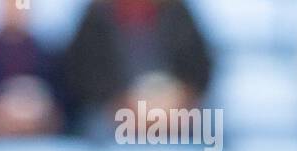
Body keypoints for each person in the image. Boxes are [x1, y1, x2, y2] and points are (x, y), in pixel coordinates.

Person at [62, 0, 212, 136]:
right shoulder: (95, 17)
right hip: (115, 113)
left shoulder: (177, 13)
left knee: (210, 125)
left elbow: (198, 72)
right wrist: (128, 109)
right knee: (96, 127)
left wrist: (175, 104)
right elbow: (85, 77)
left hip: (174, 111)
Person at [0, 0, 63, 138]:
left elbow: (55, 96)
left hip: (38, 126)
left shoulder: (42, 52)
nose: (15, 12)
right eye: (9, 6)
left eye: (19, 6)